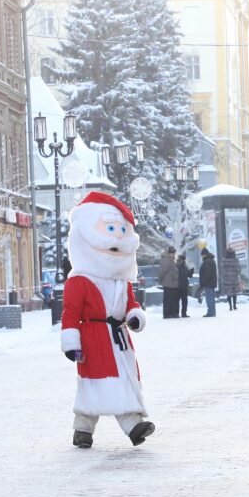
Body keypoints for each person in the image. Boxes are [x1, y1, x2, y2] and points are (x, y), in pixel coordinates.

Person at [60, 192, 155, 449]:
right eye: (109, 229)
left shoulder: (121, 279)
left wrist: (135, 317)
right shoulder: (79, 280)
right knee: (100, 382)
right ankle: (129, 426)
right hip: (94, 338)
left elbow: (130, 305)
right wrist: (71, 342)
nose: (115, 238)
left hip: (119, 339)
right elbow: (70, 314)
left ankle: (87, 428)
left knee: (113, 381)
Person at [158, 246, 179, 319]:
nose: (173, 254)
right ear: (169, 253)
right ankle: (167, 314)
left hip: (172, 283)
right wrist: (160, 279)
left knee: (172, 299)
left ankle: (171, 313)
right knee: (168, 299)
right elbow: (163, 271)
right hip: (168, 283)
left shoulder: (171, 259)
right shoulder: (166, 259)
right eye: (172, 253)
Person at [198, 248, 218, 317]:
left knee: (209, 298)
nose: (202, 257)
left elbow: (207, 273)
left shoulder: (207, 262)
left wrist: (203, 282)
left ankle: (210, 312)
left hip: (208, 283)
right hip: (212, 283)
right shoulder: (211, 260)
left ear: (204, 255)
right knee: (211, 298)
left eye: (202, 255)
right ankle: (212, 312)